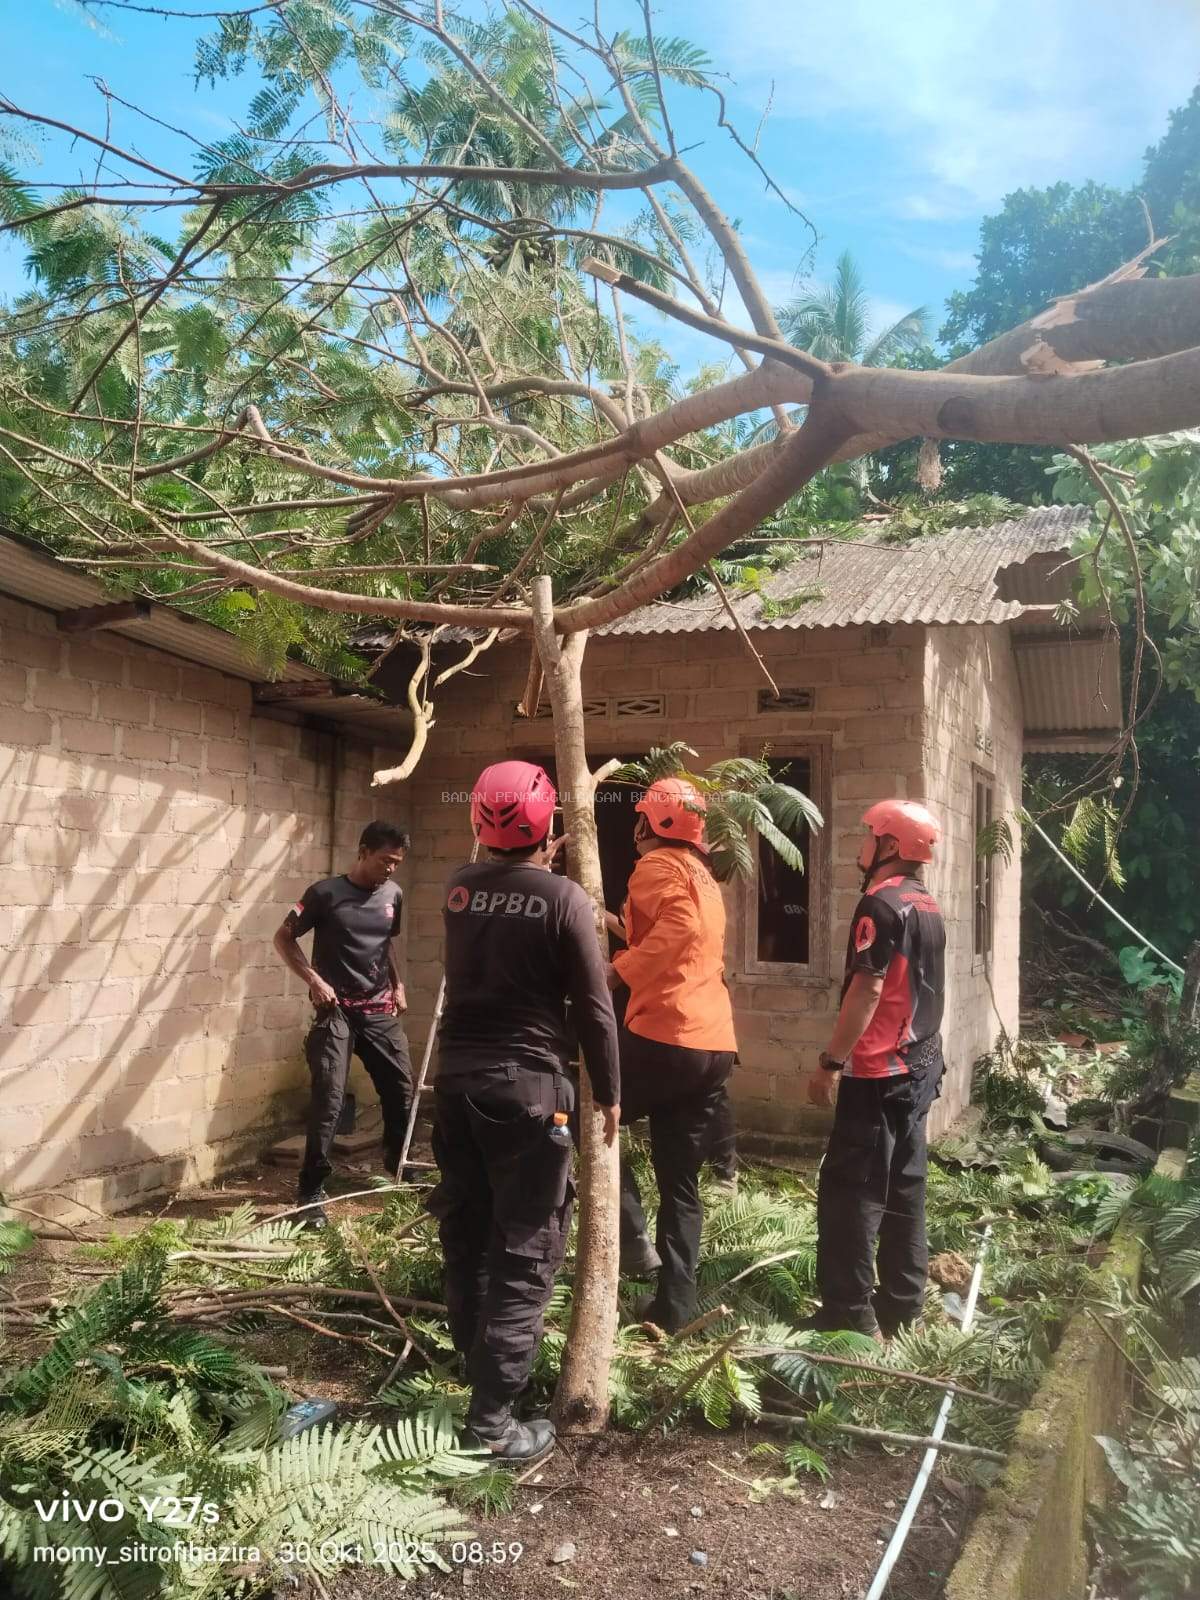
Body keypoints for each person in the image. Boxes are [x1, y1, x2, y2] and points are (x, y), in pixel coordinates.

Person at [428, 761, 620, 1463]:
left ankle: (477, 1376)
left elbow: (505, 899)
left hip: (455, 1086)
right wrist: (610, 1093)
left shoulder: (457, 887)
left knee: (469, 1231)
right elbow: (595, 1008)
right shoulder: (567, 901)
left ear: (480, 819)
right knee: (525, 1249)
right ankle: (492, 1426)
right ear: (547, 826)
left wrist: (539, 865)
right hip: (531, 1094)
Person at [803, 799, 946, 1340]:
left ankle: (848, 1315)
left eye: (868, 835)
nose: (861, 845)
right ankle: (904, 1306)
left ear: (890, 845)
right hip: (920, 1067)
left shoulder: (880, 905)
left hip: (878, 1072)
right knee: (906, 1188)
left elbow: (868, 988)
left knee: (851, 1193)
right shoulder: (925, 903)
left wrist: (831, 1061)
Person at [610, 777, 738, 1333]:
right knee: (679, 1183)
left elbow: (676, 930)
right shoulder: (702, 876)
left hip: (668, 1034)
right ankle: (674, 1306)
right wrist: (613, 929)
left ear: (653, 823)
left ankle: (634, 1242)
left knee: (582, 1118)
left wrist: (618, 970)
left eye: (640, 816)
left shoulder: (657, 865)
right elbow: (678, 933)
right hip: (712, 1044)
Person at [273, 821, 413, 1228]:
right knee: (329, 1098)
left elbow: (386, 944)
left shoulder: (394, 895)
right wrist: (314, 980)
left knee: (402, 1088)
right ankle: (312, 1191)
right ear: (364, 850)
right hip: (335, 1011)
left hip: (378, 1008)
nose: (391, 869)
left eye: (397, 863)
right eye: (385, 860)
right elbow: (283, 938)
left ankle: (396, 1160)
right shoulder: (324, 894)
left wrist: (398, 984)